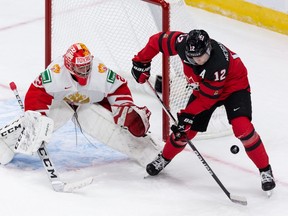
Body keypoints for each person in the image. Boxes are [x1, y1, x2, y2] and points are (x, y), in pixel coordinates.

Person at [131, 29, 275, 192]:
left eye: (202, 55)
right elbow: (157, 41)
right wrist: (141, 61)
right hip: (204, 89)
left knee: (243, 129)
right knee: (184, 132)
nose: (198, 60)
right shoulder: (181, 43)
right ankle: (164, 158)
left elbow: (208, 100)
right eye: (194, 57)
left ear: (208, 49)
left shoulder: (217, 64)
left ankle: (265, 170)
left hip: (234, 86)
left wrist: (187, 115)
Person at [0, 42, 161, 167]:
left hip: (90, 105)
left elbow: (119, 87)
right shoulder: (56, 72)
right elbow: (37, 91)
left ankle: (147, 152)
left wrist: (124, 108)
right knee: (39, 123)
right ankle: (4, 144)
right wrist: (37, 116)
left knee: (105, 125)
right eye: (80, 67)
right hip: (62, 104)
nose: (85, 70)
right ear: (69, 66)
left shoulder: (100, 70)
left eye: (86, 66)